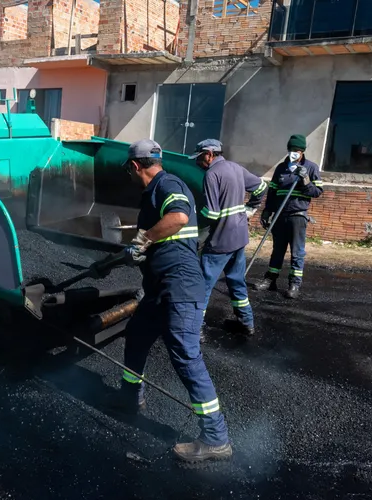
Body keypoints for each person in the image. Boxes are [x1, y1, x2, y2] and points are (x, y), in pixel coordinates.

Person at [117, 138, 232, 464]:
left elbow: (179, 217)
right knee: (137, 335)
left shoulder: (168, 184)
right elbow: (162, 239)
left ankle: (216, 438)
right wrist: (137, 253)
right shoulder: (154, 193)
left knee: (185, 355)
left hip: (180, 289)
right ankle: (130, 396)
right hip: (160, 289)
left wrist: (143, 238)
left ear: (136, 166)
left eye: (130, 169)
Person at [190, 139, 267, 337]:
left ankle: (195, 329)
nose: (197, 162)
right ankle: (246, 322)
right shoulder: (236, 168)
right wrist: (250, 208)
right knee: (236, 280)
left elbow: (212, 214)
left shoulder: (212, 175)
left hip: (221, 240)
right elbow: (260, 187)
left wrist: (194, 218)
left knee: (202, 284)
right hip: (239, 237)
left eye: (199, 158)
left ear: (209, 154)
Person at [253, 134, 323, 299]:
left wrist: (305, 180)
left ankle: (294, 284)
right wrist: (267, 210)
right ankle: (270, 280)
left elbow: (317, 192)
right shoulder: (281, 168)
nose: (294, 153)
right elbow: (272, 192)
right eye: (291, 150)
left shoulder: (311, 168)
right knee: (277, 250)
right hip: (280, 215)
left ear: (302, 151)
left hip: (297, 216)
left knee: (297, 252)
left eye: (297, 150)